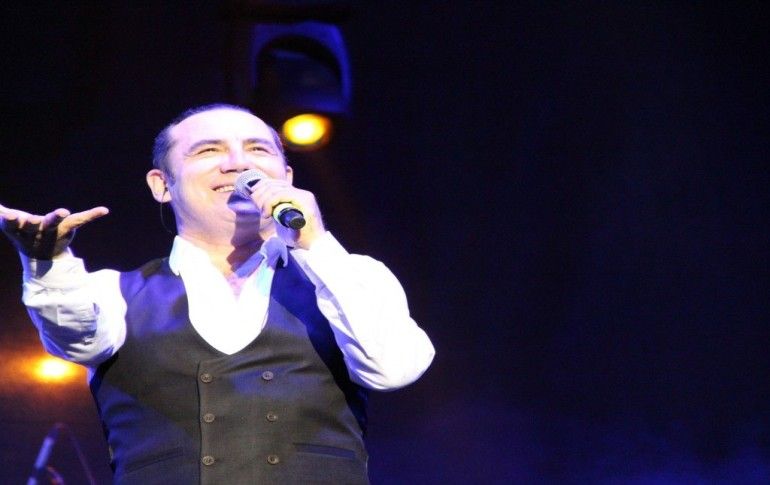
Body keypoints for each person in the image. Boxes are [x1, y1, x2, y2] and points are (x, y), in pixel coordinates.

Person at [0, 104, 435, 484]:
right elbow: (75, 336)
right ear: (161, 184)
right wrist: (47, 263)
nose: (238, 164)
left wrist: (315, 243)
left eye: (258, 150)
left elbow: (393, 369)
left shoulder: (350, 276)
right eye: (208, 150)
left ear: (287, 177)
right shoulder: (113, 292)